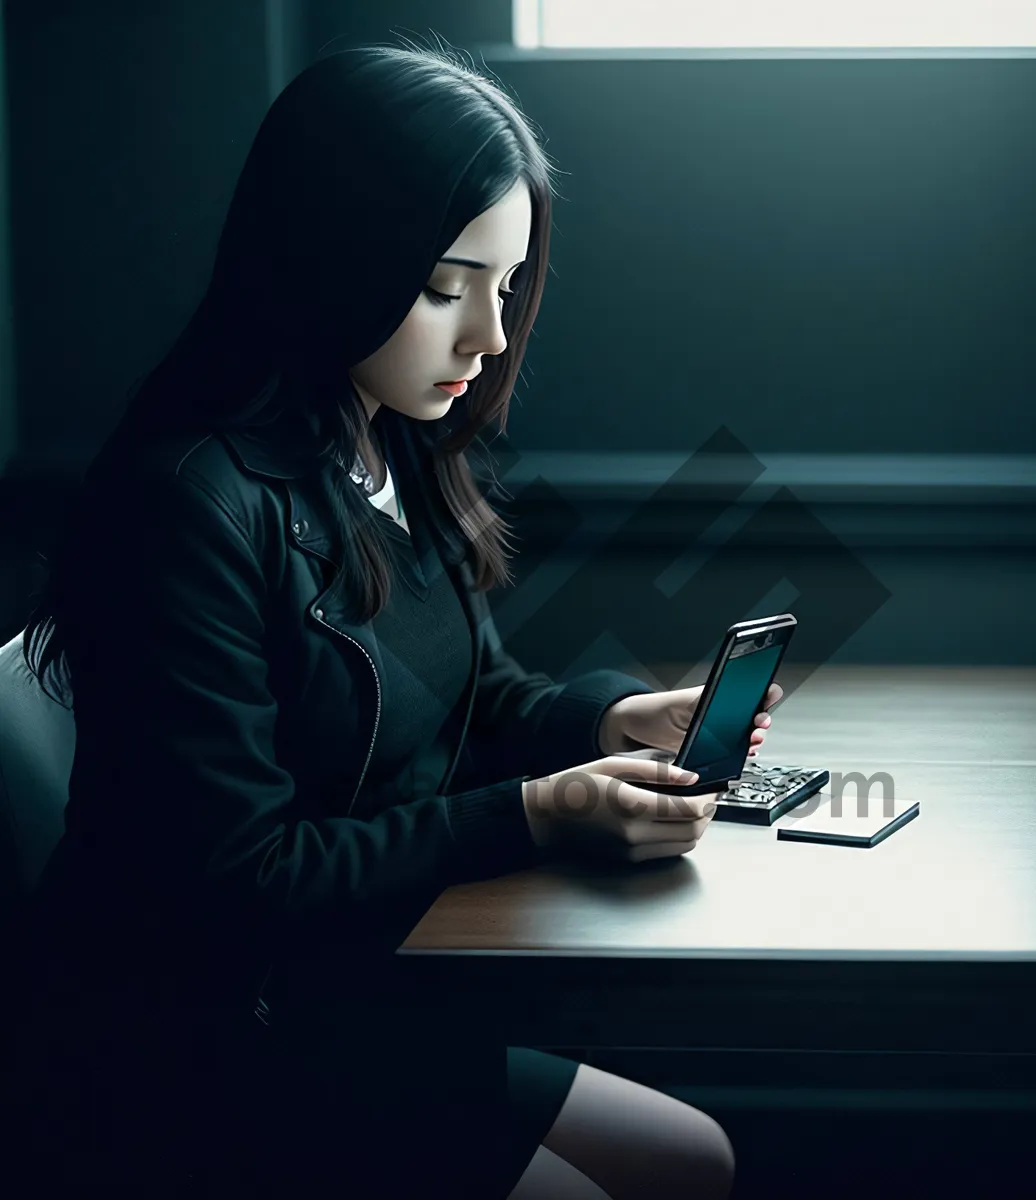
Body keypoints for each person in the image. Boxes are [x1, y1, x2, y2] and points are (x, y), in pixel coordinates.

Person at [12, 40, 736, 1199]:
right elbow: (235, 878)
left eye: (506, 286)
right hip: (205, 1046)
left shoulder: (385, 431)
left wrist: (609, 724)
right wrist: (537, 818)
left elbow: (470, 698)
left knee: (693, 1159)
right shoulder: (187, 503)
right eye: (448, 287)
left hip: (356, 988)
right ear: (330, 256)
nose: (488, 336)